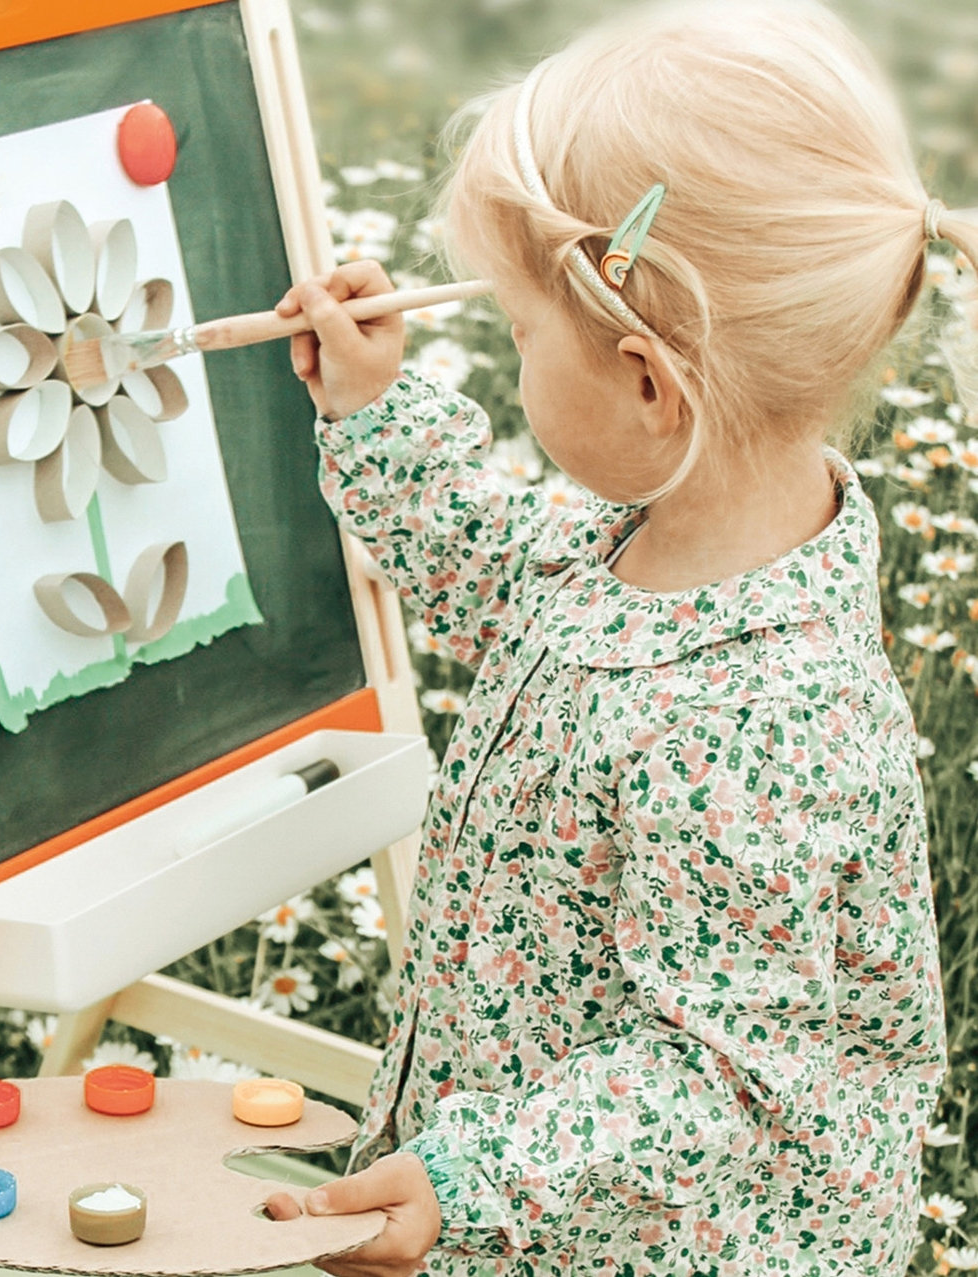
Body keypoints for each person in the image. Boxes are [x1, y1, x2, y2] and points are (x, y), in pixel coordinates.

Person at [265, 2, 970, 1273]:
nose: (511, 359)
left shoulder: (758, 721)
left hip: (640, 1240)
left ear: (649, 382)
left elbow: (721, 1079)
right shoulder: (655, 529)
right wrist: (376, 412)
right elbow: (505, 580)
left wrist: (470, 1178)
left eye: (520, 335)